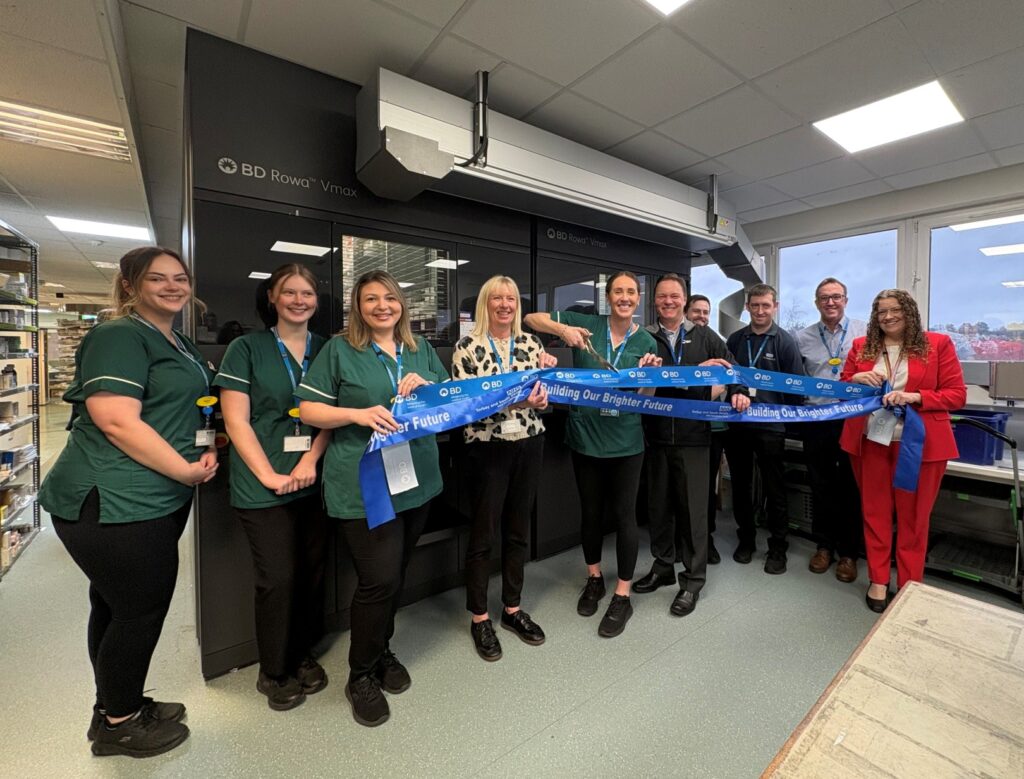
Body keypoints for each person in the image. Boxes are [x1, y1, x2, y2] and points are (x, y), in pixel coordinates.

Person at [39, 247, 218, 758]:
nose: (171, 286)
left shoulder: (175, 340)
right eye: (157, 278)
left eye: (179, 278)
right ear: (131, 284)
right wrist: (184, 468)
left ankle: (117, 703)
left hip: (151, 499)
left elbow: (169, 409)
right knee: (139, 610)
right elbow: (116, 419)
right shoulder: (117, 334)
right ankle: (120, 724)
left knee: (114, 604)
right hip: (113, 500)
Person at [296, 270, 447, 727]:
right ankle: (359, 675)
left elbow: (446, 408)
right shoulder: (339, 350)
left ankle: (382, 652)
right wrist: (357, 414)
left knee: (397, 573)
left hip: (415, 479)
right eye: (370, 300)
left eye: (390, 298)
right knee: (378, 579)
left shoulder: (420, 350)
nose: (382, 306)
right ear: (357, 308)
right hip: (363, 484)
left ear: (402, 304)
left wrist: (430, 390)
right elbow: (308, 409)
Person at [215, 264, 331, 710]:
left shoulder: (327, 349)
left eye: (307, 293)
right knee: (277, 579)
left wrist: (309, 460)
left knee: (312, 573)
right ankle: (273, 670)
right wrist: (268, 474)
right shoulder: (246, 348)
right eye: (289, 292)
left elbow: (334, 414)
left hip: (313, 478)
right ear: (272, 299)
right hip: (264, 484)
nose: (299, 300)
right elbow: (235, 419)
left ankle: (301, 654)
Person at [524, 271, 661, 638]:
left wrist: (649, 380)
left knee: (624, 515)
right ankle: (595, 578)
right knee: (591, 512)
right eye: (618, 291)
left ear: (639, 298)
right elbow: (530, 319)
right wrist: (562, 330)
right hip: (586, 437)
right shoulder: (586, 324)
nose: (625, 297)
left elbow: (644, 403)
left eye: (631, 292)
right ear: (608, 296)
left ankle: (622, 594)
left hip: (626, 441)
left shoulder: (647, 342)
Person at [841, 289, 965, 612]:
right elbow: (842, 389)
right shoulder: (860, 347)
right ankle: (879, 579)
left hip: (919, 446)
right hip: (871, 442)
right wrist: (855, 379)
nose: (888, 317)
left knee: (914, 519)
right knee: (875, 513)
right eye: (881, 312)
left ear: (909, 311)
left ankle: (910, 584)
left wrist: (917, 397)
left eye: (895, 310)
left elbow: (956, 394)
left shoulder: (937, 345)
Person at [451, 275, 554, 661]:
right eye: (497, 298)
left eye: (510, 299)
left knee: (517, 531)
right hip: (487, 447)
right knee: (482, 536)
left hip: (529, 442)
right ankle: (480, 617)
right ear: (485, 304)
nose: (505, 305)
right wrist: (520, 402)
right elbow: (469, 405)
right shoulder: (467, 347)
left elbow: (541, 395)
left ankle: (512, 609)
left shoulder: (531, 343)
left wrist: (541, 401)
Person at [635, 275, 749, 617]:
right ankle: (663, 566)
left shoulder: (705, 336)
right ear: (654, 302)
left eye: (674, 296)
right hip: (654, 437)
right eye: (662, 297)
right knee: (658, 507)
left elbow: (735, 370)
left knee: (693, 511)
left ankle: (693, 580)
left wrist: (738, 390)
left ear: (684, 300)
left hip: (695, 439)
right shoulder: (645, 338)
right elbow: (634, 380)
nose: (668, 301)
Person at [725, 283, 805, 574]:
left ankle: (778, 547)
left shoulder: (784, 341)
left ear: (775, 307)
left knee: (775, 487)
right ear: (747, 306)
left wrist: (791, 422)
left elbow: (797, 385)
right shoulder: (735, 339)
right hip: (739, 424)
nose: (760, 311)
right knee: (742, 485)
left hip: (772, 426)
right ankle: (746, 538)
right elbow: (728, 375)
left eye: (766, 306)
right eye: (755, 305)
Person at [793, 278, 867, 583]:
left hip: (853, 419)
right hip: (817, 419)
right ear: (816, 303)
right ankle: (823, 546)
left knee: (851, 486)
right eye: (824, 298)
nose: (830, 303)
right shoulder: (802, 337)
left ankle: (849, 553)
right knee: (820, 484)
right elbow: (795, 378)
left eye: (836, 297)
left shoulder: (865, 332)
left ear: (846, 300)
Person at [685, 293, 724, 564]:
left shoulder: (712, 338)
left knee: (706, 488)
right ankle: (681, 541)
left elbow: (731, 369)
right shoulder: (680, 341)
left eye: (705, 312)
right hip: (677, 425)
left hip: (711, 427)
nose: (701, 316)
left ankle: (706, 539)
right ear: (686, 312)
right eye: (696, 311)